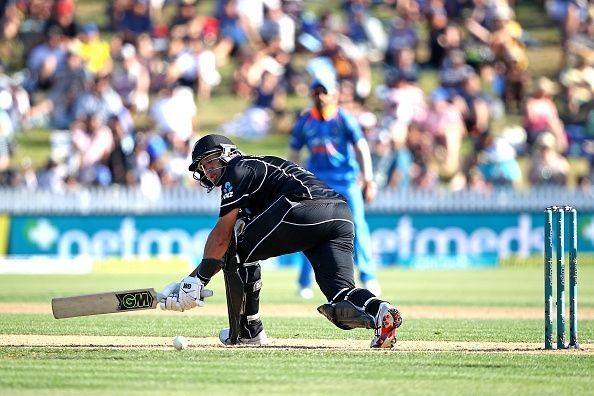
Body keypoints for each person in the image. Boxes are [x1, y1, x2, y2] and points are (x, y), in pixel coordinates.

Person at [158, 134, 403, 349]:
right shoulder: (253, 174)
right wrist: (190, 281)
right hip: (341, 215)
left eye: (211, 161)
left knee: (237, 249)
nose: (208, 171)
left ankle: (247, 332)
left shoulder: (238, 168)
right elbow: (223, 244)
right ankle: (380, 312)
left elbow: (222, 238)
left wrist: (195, 281)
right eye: (203, 167)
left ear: (228, 153)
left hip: (304, 207)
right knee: (341, 296)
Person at [289, 76, 381, 299]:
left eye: (324, 92)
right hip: (317, 182)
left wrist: (368, 179)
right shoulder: (305, 122)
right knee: (309, 229)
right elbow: (294, 154)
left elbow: (361, 147)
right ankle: (304, 282)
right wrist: (291, 181)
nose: (320, 97)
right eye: (316, 92)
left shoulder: (343, 118)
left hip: (346, 180)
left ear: (334, 95)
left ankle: (368, 277)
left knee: (357, 226)